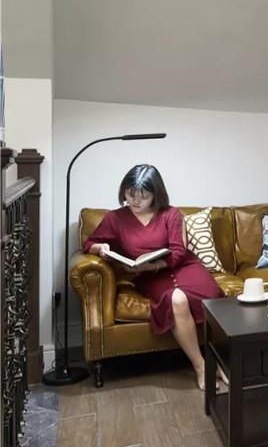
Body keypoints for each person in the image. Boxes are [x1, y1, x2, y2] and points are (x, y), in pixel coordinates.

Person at [84, 164, 224, 389]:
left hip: (183, 267)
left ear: (156, 194)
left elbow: (178, 252)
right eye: (130, 194)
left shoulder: (171, 214)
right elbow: (89, 243)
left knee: (211, 297)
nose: (135, 201)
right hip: (151, 279)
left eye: (143, 196)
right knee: (176, 299)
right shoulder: (115, 218)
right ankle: (201, 366)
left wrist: (154, 264)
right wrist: (100, 248)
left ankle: (218, 361)